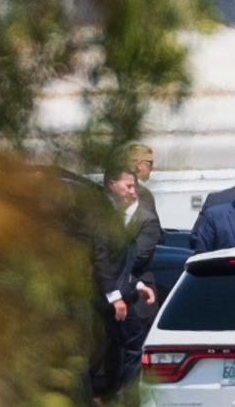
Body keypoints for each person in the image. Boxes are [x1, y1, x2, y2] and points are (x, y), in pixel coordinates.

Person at [88, 164, 157, 401]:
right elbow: (102, 260)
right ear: (112, 185)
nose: (133, 191)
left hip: (114, 293)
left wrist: (138, 285)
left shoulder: (116, 215)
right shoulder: (103, 216)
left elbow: (120, 263)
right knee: (111, 349)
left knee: (124, 345)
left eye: (134, 187)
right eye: (128, 186)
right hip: (102, 296)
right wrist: (115, 296)